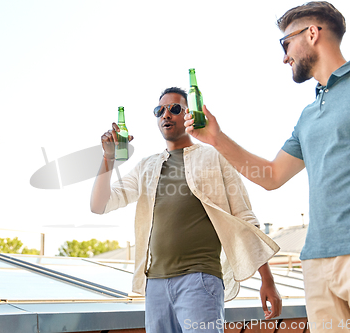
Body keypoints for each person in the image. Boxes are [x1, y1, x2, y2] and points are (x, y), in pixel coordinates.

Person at [184, 2, 350, 332]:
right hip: (316, 264)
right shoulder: (309, 115)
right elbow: (272, 176)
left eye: (286, 43)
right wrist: (216, 138)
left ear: (313, 33)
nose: (284, 57)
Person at [91, 87, 282, 333]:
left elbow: (244, 218)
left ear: (189, 114)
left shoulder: (215, 158)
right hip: (155, 284)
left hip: (199, 280)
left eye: (175, 109)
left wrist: (267, 280)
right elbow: (99, 205)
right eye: (160, 110)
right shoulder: (147, 167)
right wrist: (108, 159)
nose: (166, 115)